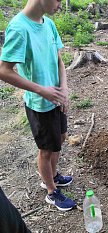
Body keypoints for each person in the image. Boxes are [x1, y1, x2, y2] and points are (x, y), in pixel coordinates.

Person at [0, 0, 76, 211]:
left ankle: (52, 175)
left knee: (59, 139)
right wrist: (42, 90)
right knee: (46, 149)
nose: (60, 5)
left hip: (56, 97)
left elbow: (59, 59)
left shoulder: (48, 24)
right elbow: (4, 70)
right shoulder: (19, 28)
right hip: (39, 103)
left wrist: (64, 89)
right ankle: (51, 191)